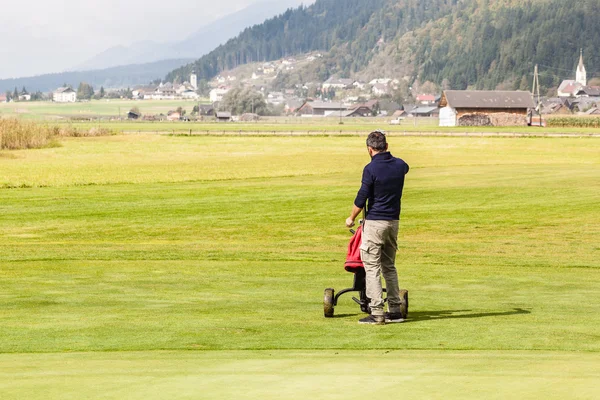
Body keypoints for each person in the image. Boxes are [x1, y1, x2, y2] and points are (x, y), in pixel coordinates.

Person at [346, 130, 409, 325]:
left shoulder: (370, 169)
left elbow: (361, 197)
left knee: (371, 266)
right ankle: (395, 310)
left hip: (374, 223)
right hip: (393, 222)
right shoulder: (400, 165)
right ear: (387, 146)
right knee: (389, 266)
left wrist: (350, 218)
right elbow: (405, 167)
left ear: (369, 149)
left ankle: (377, 313)